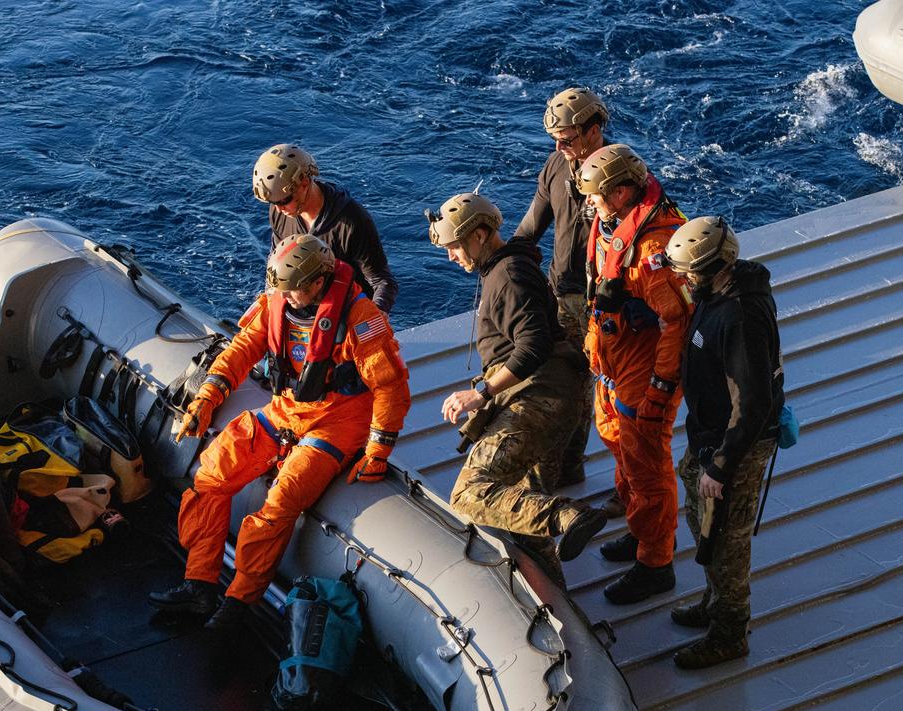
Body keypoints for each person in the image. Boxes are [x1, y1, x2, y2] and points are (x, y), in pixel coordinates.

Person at [149, 235, 411, 631]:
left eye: (293, 290)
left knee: (281, 502)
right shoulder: (278, 303)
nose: (286, 298)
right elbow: (244, 348)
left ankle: (239, 602)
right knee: (210, 477)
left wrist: (377, 450)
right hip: (287, 408)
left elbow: (390, 385)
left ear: (318, 282)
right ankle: (199, 584)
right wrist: (208, 395)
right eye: (282, 290)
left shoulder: (360, 318)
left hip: (339, 421)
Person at [427, 192, 605, 587]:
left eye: (455, 245)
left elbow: (533, 344)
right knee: (523, 512)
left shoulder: (506, 276)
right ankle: (554, 596)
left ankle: (568, 516)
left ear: (480, 235)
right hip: (558, 397)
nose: (451, 255)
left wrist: (482, 393)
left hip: (539, 400)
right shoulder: (509, 267)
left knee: (470, 494)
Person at [576, 143, 693, 605]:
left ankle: (656, 562)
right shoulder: (611, 226)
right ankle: (642, 529)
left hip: (643, 366)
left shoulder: (653, 248)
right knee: (621, 448)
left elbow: (676, 324)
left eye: (597, 196)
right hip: (614, 359)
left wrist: (661, 388)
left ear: (622, 193)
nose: (590, 204)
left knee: (646, 462)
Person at [668, 216, 784, 668]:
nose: (682, 280)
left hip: (731, 447)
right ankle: (715, 602)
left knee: (726, 538)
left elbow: (752, 401)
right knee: (703, 525)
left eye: (687, 273)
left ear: (715, 267)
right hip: (709, 437)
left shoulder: (739, 315)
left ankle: (730, 631)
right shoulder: (715, 294)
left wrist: (722, 466)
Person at [513, 86, 607, 493]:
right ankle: (568, 466)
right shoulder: (555, 166)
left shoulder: (619, 174)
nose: (560, 146)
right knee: (567, 382)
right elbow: (531, 228)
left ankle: (564, 469)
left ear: (593, 130)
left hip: (600, 300)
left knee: (592, 389)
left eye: (567, 139)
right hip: (560, 292)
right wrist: (504, 264)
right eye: (555, 139)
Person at [252, 144, 399, 313]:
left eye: (284, 200)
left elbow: (383, 281)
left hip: (344, 313)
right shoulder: (281, 212)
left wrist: (373, 318)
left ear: (304, 183)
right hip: (300, 311)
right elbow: (277, 263)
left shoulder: (352, 221)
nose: (278, 209)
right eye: (273, 203)